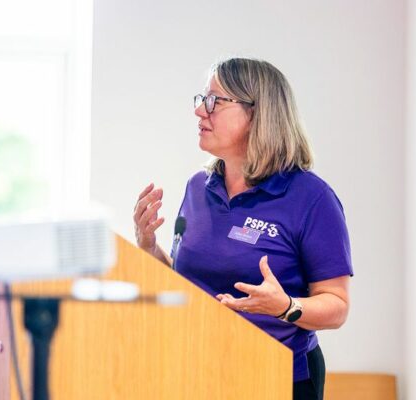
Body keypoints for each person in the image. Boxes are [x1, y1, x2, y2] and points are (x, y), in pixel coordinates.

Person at [133, 57, 353, 400]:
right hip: (198, 371)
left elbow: (337, 306)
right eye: (202, 99)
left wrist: (285, 306)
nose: (200, 112)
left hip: (279, 377)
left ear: (258, 114)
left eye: (215, 102)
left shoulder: (312, 198)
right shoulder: (198, 187)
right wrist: (148, 246)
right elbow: (185, 280)